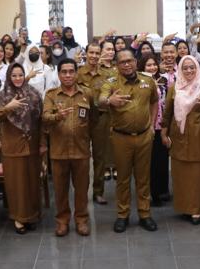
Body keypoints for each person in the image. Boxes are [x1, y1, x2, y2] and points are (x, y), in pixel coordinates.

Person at [99, 50, 159, 233]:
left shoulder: (148, 81)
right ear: (117, 65)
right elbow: (100, 100)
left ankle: (144, 214)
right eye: (122, 62)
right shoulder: (111, 82)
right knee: (123, 179)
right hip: (121, 138)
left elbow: (154, 102)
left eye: (129, 61)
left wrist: (152, 125)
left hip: (144, 137)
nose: (126, 64)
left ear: (135, 61)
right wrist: (109, 100)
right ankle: (122, 215)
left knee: (143, 178)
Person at [161, 55, 200, 225]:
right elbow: (167, 113)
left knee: (199, 176)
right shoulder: (174, 88)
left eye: (192, 67)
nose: (188, 70)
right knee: (181, 175)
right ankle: (184, 207)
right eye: (185, 67)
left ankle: (196, 210)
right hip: (179, 137)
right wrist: (163, 133)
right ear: (180, 69)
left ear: (197, 68)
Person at [42, 60, 94, 237]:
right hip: (59, 151)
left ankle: (81, 220)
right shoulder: (51, 95)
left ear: (76, 73)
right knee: (60, 190)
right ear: (58, 74)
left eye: (71, 71)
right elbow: (45, 118)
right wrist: (58, 116)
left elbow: (93, 120)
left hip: (81, 150)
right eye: (64, 72)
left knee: (82, 189)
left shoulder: (87, 93)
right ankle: (62, 221)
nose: (68, 75)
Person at [0, 63, 44, 234]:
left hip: (32, 145)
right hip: (12, 146)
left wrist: (43, 143)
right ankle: (19, 218)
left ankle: (32, 215)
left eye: (20, 75)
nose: (17, 78)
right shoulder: (2, 96)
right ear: (9, 77)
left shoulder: (34, 93)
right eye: (13, 75)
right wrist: (7, 108)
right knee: (16, 183)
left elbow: (41, 120)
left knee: (32, 182)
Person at [78, 42, 116, 204]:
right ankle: (81, 192)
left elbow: (112, 94)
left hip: (102, 118)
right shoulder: (78, 73)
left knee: (100, 156)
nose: (94, 56)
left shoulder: (107, 74)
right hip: (82, 118)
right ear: (86, 53)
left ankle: (98, 192)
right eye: (91, 53)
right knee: (82, 157)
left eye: (97, 53)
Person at [141, 54, 171, 207]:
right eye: (148, 65)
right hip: (147, 126)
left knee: (162, 160)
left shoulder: (164, 80)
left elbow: (167, 101)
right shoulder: (140, 83)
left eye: (154, 64)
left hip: (162, 125)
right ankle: (153, 194)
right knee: (150, 162)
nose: (152, 67)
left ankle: (163, 190)